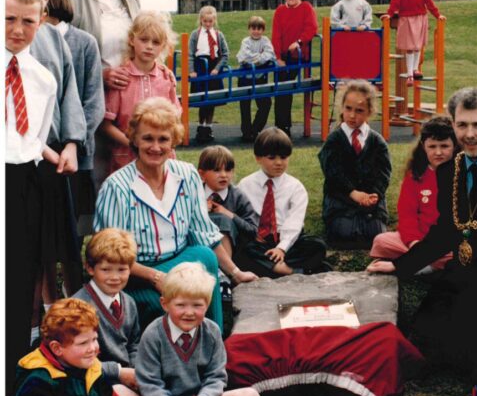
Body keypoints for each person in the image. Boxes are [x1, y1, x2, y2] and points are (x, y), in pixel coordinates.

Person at [368, 87, 477, 373]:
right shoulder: (450, 170)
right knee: (421, 337)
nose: (469, 134)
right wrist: (400, 266)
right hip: (463, 270)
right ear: (453, 124)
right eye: (462, 125)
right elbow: (444, 233)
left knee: (466, 355)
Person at [93, 97, 257, 330]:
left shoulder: (187, 174)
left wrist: (236, 273)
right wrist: (155, 277)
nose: (156, 147)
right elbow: (109, 256)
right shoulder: (116, 187)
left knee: (205, 257)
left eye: (163, 139)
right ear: (135, 140)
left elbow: (204, 233)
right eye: (148, 138)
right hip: (137, 274)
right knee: (170, 304)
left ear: (174, 142)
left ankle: (213, 344)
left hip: (180, 266)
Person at [7, 0, 87, 341]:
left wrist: (71, 143)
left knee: (58, 245)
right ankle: (30, 324)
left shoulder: (54, 39)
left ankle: (65, 320)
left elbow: (68, 94)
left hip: (52, 155)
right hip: (21, 159)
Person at [5, 0, 59, 396]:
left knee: (19, 285)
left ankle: (9, 391)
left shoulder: (43, 79)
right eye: (8, 18)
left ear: (41, 21)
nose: (17, 29)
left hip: (22, 183)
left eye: (27, 21)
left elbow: (35, 139)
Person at [134, 263, 262, 396]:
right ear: (165, 304)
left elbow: (216, 377)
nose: (189, 312)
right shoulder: (153, 335)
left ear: (207, 304)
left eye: (197, 305)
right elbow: (151, 387)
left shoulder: (211, 331)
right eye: (181, 305)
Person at [43, 0, 105, 297]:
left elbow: (93, 102)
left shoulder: (83, 43)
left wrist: (73, 140)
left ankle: (79, 297)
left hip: (77, 159)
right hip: (41, 157)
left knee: (75, 235)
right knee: (42, 242)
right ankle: (47, 308)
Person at [8, 298, 134, 396]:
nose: (93, 348)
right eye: (83, 343)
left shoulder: (91, 367)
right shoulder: (38, 378)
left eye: (94, 339)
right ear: (57, 348)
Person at [370, 115, 457, 273]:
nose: (438, 152)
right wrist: (413, 243)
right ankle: (427, 264)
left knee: (463, 252)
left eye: (444, 146)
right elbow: (406, 215)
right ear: (423, 146)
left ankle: (421, 266)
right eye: (432, 146)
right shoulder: (415, 175)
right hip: (419, 238)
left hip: (447, 243)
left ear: (455, 146)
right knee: (381, 241)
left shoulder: (464, 174)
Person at [237, 127, 328, 277]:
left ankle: (269, 268)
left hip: (288, 240)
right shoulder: (245, 185)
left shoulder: (295, 187)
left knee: (317, 246)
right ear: (258, 158)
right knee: (242, 251)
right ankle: (291, 270)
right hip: (259, 241)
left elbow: (295, 222)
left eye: (284, 157)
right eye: (272, 158)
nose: (279, 163)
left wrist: (282, 248)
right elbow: (240, 217)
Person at [73, 228, 142, 396]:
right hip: (92, 378)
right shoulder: (79, 307)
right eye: (105, 270)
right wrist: (119, 372)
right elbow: (76, 360)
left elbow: (133, 343)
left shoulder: (128, 302)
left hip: (127, 375)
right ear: (90, 268)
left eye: (122, 269)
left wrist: (136, 370)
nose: (114, 277)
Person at [101, 10, 180, 173]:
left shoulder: (166, 78)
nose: (149, 46)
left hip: (161, 162)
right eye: (144, 40)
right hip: (127, 161)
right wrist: (133, 142)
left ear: (164, 46)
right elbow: (105, 124)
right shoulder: (121, 78)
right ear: (131, 40)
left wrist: (162, 144)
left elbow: (175, 119)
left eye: (156, 42)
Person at [318, 80, 391, 249]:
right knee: (343, 234)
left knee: (375, 234)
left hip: (370, 202)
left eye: (359, 111)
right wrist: (352, 193)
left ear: (369, 112)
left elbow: (383, 174)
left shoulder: (377, 142)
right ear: (342, 108)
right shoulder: (334, 140)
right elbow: (333, 173)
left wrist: (373, 195)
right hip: (342, 199)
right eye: (348, 109)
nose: (352, 115)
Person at [198, 145, 259, 298]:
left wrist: (230, 215)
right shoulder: (195, 194)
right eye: (217, 170)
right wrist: (200, 210)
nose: (224, 175)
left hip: (235, 248)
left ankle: (225, 274)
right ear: (202, 174)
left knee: (222, 219)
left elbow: (253, 230)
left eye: (228, 170)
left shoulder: (237, 196)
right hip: (200, 244)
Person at [382, 0, 445, 80]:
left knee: (417, 46)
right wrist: (389, 13)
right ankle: (410, 72)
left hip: (420, 18)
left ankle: (415, 69)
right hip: (406, 18)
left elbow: (429, 2)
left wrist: (438, 15)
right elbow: (396, 0)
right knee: (409, 46)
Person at [270, 0, 318, 137]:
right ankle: (280, 126)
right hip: (283, 56)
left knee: (286, 88)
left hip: (298, 55)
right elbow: (276, 35)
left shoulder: (306, 8)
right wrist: (277, 57)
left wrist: (298, 42)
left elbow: (311, 28)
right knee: (280, 90)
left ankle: (285, 126)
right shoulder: (280, 10)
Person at [188, 5, 229, 144]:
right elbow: (190, 54)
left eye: (210, 21)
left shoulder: (218, 35)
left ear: (214, 21)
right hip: (200, 67)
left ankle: (209, 127)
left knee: (211, 100)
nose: (207, 24)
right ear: (201, 20)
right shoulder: (195, 34)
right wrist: (192, 70)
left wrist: (217, 68)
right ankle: (201, 126)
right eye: (205, 21)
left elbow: (225, 54)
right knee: (201, 100)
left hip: (213, 67)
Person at [236, 15, 277, 141]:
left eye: (259, 29)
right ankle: (246, 132)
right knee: (245, 105)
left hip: (260, 78)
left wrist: (255, 60)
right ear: (249, 29)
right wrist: (260, 59)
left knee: (265, 104)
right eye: (253, 28)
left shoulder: (265, 41)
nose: (256, 31)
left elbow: (270, 54)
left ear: (263, 30)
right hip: (245, 78)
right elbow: (244, 56)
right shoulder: (245, 41)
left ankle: (256, 129)